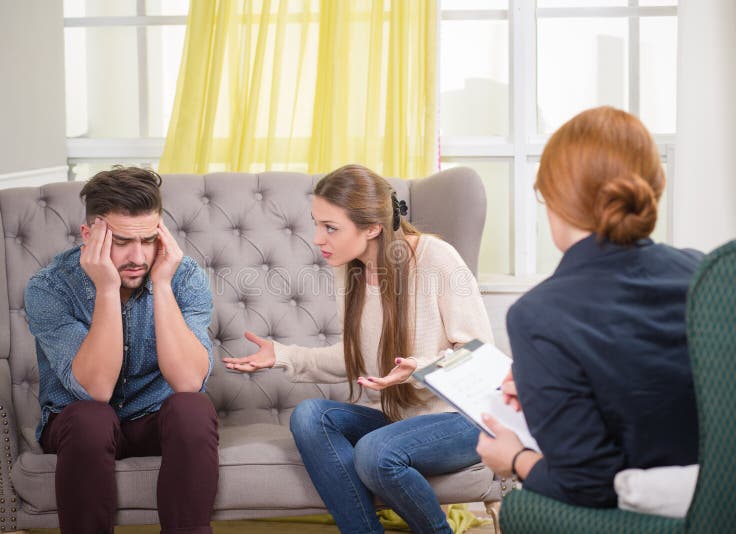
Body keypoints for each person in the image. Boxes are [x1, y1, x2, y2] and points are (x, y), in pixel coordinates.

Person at [223, 164, 494, 534]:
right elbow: (357, 360)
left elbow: (477, 355)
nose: (318, 238)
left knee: (375, 453)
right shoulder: (349, 271)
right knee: (309, 416)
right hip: (400, 417)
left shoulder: (436, 258)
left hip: (460, 419)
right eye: (317, 223)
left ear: (372, 227)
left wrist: (419, 367)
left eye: (330, 227)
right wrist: (284, 355)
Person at [476, 106, 701, 508]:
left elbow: (587, 485)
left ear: (557, 202)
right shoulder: (704, 273)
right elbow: (660, 388)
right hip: (717, 499)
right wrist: (549, 387)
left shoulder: (538, 314)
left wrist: (513, 458)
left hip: (643, 513)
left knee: (520, 508)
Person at [25, 166, 219, 534]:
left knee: (193, 408)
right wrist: (107, 289)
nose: (138, 257)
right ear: (89, 235)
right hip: (77, 422)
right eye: (121, 241)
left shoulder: (184, 276)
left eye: (148, 240)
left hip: (153, 417)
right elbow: (95, 390)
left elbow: (189, 381)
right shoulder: (49, 287)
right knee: (91, 419)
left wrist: (162, 285)